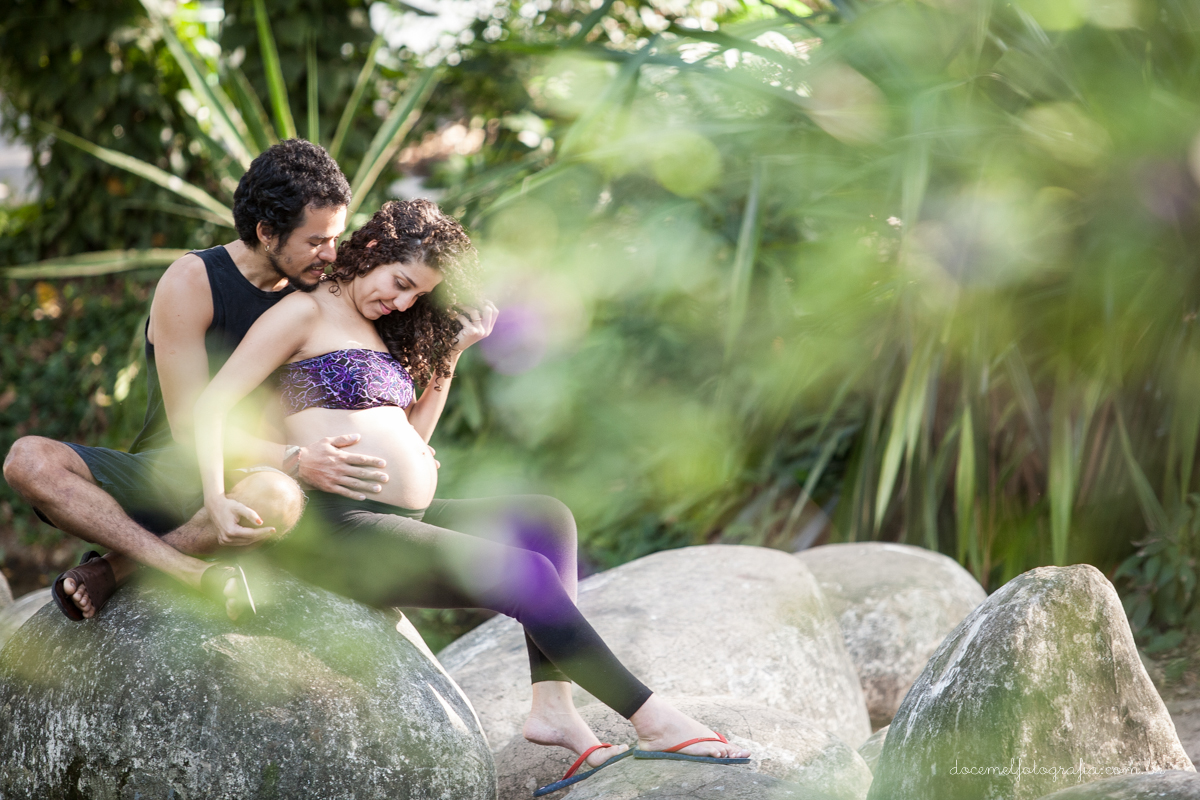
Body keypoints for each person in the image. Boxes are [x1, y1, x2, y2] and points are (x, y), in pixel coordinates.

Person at [192, 199, 752, 790]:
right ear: (373, 251)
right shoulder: (300, 314)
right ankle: (653, 719)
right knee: (524, 574)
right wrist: (233, 489)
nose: (403, 302)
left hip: (392, 511)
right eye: (401, 283)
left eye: (417, 295)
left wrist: (452, 355)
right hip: (337, 526)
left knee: (546, 519)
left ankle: (553, 710)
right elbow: (212, 409)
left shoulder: (378, 327)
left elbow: (412, 438)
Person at [2, 139, 391, 619]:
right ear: (267, 232)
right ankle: (191, 571)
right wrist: (296, 459)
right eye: (315, 241)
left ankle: (112, 570)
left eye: (335, 238)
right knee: (28, 460)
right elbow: (189, 426)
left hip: (252, 484)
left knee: (278, 496)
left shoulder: (319, 295)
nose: (331, 255)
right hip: (167, 473)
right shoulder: (193, 281)